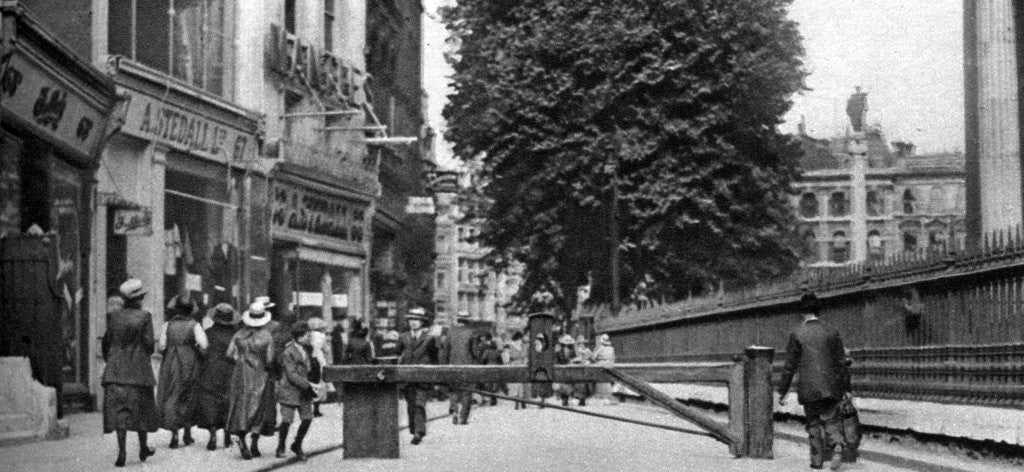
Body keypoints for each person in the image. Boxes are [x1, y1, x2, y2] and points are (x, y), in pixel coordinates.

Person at [777, 292, 850, 471]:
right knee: (831, 418)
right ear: (819, 311)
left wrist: (782, 391)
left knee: (813, 423)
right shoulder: (832, 332)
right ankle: (837, 445)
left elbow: (789, 366)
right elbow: (841, 363)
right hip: (831, 386)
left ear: (803, 313)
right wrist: (847, 388)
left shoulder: (797, 334)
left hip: (808, 387)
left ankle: (816, 461)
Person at [101, 279, 158, 467]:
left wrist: (111, 359)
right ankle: (143, 447)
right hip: (139, 371)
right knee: (141, 410)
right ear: (139, 298)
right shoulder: (144, 317)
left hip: (115, 371)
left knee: (120, 413)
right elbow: (149, 344)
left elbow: (106, 341)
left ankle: (122, 452)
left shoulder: (114, 317)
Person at [224, 299, 275, 460]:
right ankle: (254, 443)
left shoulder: (238, 334)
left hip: (240, 372)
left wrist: (240, 361)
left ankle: (242, 439)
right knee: (258, 406)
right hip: (259, 372)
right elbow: (269, 359)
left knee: (241, 404)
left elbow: (228, 354)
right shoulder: (266, 336)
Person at [156, 295, 208, 448]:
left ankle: (174, 434)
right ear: (191, 310)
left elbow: (161, 347)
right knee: (189, 394)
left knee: (172, 395)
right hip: (190, 361)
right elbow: (204, 345)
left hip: (171, 363)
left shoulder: (167, 325)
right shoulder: (195, 325)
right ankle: (187, 432)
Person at [194, 303, 239, 450]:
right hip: (229, 368)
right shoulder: (235, 334)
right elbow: (237, 354)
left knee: (210, 399)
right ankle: (227, 435)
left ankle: (212, 433)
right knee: (228, 399)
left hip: (211, 368)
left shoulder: (208, 332)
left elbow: (203, 351)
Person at [275, 320, 321, 461]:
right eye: (307, 335)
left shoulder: (308, 349)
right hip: (290, 390)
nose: (309, 337)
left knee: (307, 419)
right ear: (299, 337)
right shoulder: (288, 352)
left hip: (304, 392)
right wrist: (309, 385)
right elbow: (291, 374)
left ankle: (297, 444)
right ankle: (281, 446)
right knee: (287, 421)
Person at [397, 307, 441, 445]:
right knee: (411, 406)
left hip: (423, 377)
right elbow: (398, 352)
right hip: (407, 377)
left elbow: (435, 358)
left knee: (419, 404)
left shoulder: (429, 339)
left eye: (417, 320)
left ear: (423, 322)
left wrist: (434, 376)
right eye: (411, 320)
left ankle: (419, 432)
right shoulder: (403, 337)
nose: (414, 322)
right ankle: (414, 429)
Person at [443, 316, 477, 424]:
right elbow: (475, 352)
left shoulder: (450, 333)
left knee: (454, 390)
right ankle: (463, 418)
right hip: (468, 367)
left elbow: (445, 352)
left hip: (452, 366)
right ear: (467, 322)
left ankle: (455, 412)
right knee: (467, 392)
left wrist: (445, 365)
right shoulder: (471, 333)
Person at [306, 317, 330, 417]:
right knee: (320, 382)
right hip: (319, 359)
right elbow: (327, 350)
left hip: (308, 358)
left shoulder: (308, 335)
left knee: (309, 382)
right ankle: (316, 409)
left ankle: (307, 407)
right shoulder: (322, 336)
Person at [502, 331, 528, 409]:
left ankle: (521, 400)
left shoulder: (523, 346)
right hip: (516, 366)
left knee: (520, 384)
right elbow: (506, 358)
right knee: (518, 384)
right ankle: (520, 400)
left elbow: (526, 357)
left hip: (520, 366)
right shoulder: (510, 346)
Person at [591, 333, 617, 405]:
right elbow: (613, 357)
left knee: (599, 379)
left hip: (601, 365)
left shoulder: (600, 348)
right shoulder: (612, 348)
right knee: (607, 381)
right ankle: (608, 397)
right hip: (610, 365)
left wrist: (596, 360)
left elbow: (593, 357)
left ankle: (600, 396)